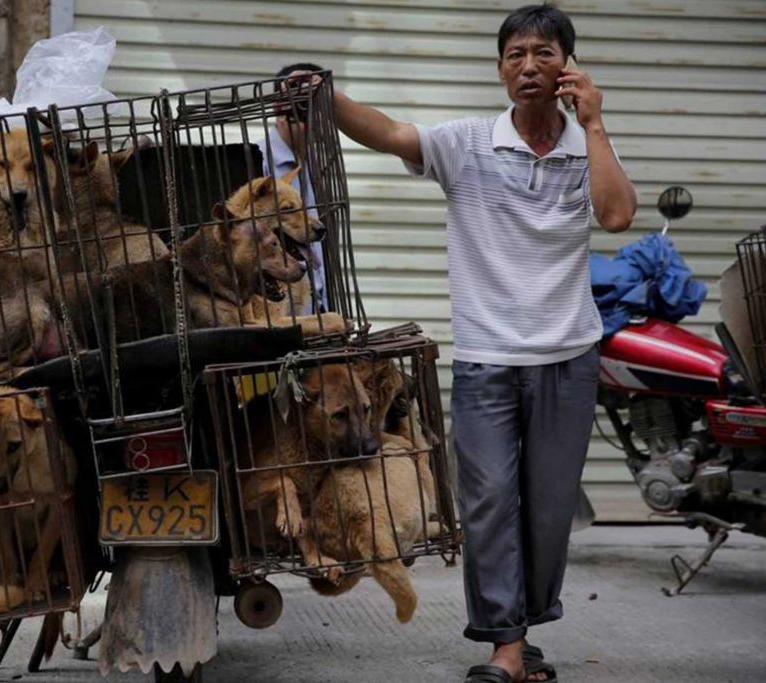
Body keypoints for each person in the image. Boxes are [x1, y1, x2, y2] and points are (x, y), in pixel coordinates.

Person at [329, 4, 636, 682]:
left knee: (549, 507)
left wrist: (593, 123)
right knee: (490, 499)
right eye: (516, 54)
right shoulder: (467, 143)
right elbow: (389, 133)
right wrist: (327, 95)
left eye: (544, 54)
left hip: (568, 358)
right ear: (500, 69)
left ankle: (520, 637)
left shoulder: (587, 147)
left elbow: (616, 214)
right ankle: (504, 646)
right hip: (486, 361)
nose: (529, 65)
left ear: (567, 68)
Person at [257, 62, 328, 313]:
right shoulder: (258, 161)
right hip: (282, 311)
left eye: (317, 106)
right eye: (302, 105)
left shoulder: (322, 165)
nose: (311, 116)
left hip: (319, 307)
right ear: (279, 107)